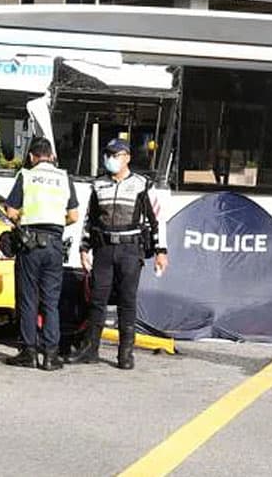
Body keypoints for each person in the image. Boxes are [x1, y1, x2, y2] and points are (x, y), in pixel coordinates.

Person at [71, 138, 169, 370]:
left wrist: (161, 251)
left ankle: (125, 354)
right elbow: (90, 219)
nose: (110, 159)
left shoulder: (143, 184)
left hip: (130, 249)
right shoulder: (99, 185)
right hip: (104, 248)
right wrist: (84, 248)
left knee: (127, 301)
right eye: (108, 154)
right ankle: (90, 350)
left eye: (115, 155)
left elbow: (157, 221)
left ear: (127, 158)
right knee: (97, 300)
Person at [3, 137, 78, 371]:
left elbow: (11, 210)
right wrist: (56, 222)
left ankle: (28, 352)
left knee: (28, 299)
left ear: (32, 157)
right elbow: (74, 216)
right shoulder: (64, 177)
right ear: (52, 156)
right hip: (54, 244)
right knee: (51, 302)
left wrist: (23, 220)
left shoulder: (26, 175)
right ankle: (50, 356)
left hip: (30, 244)